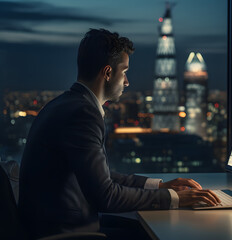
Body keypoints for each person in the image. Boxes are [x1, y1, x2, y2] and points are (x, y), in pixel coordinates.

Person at [19, 28, 220, 239]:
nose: (127, 82)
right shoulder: (83, 113)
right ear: (107, 73)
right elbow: (105, 196)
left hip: (57, 224)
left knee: (147, 230)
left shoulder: (64, 104)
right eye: (124, 72)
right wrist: (174, 198)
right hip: (66, 232)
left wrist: (159, 186)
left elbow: (100, 178)